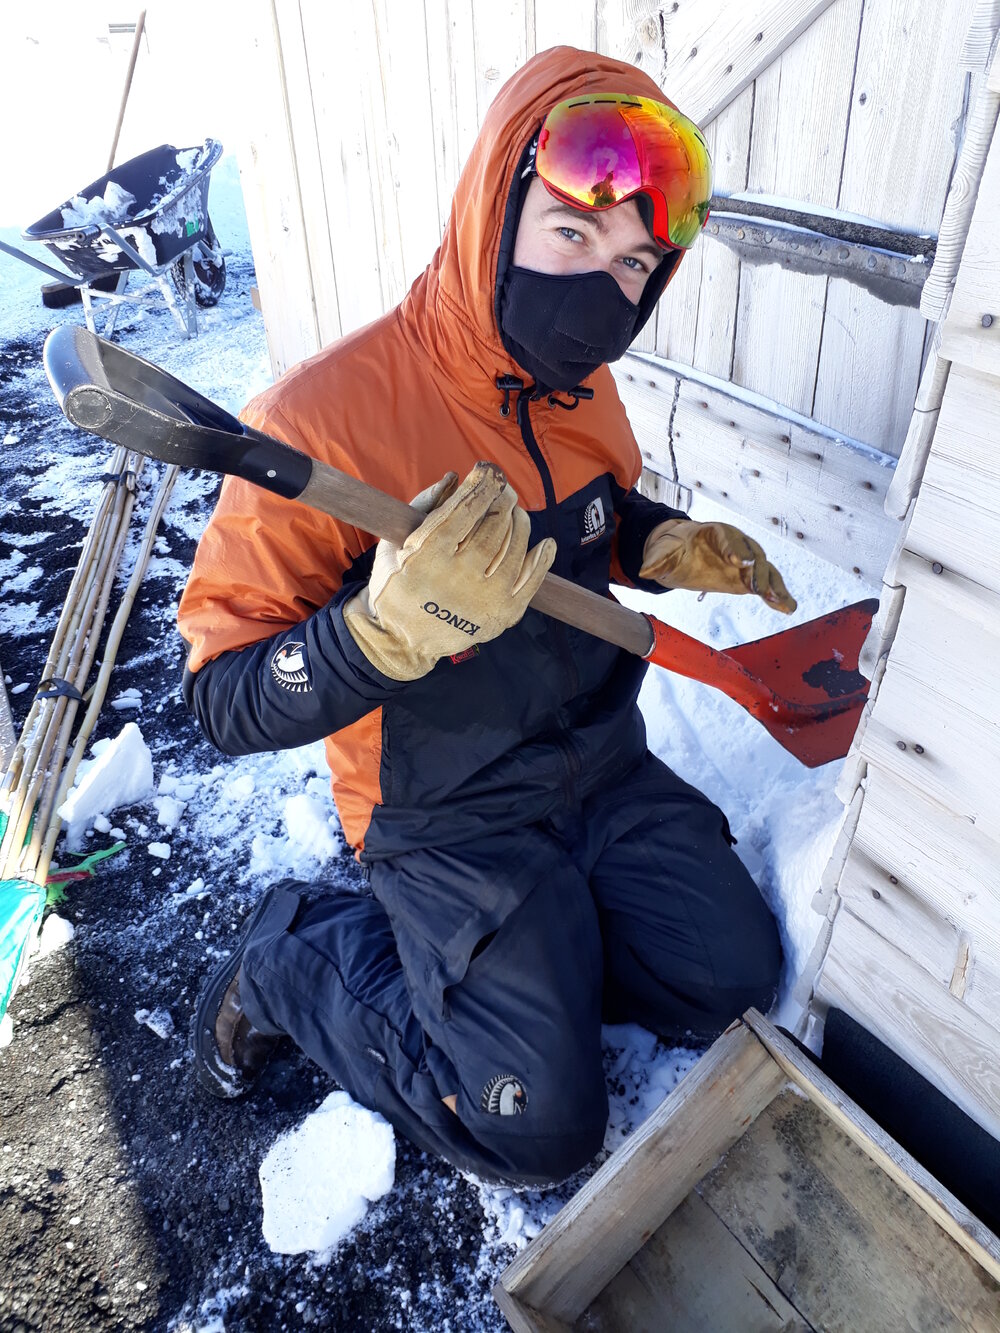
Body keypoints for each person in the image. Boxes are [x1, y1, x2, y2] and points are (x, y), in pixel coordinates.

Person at [178, 47, 790, 1186]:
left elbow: (588, 514)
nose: (598, 291)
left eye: (631, 267)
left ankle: (542, 954)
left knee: (728, 981)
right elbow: (219, 696)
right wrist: (375, 634)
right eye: (571, 236)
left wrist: (650, 540)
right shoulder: (324, 419)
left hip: (602, 770)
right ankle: (289, 954)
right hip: (445, 814)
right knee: (536, 1129)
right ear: (492, 205)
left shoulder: (582, 386)